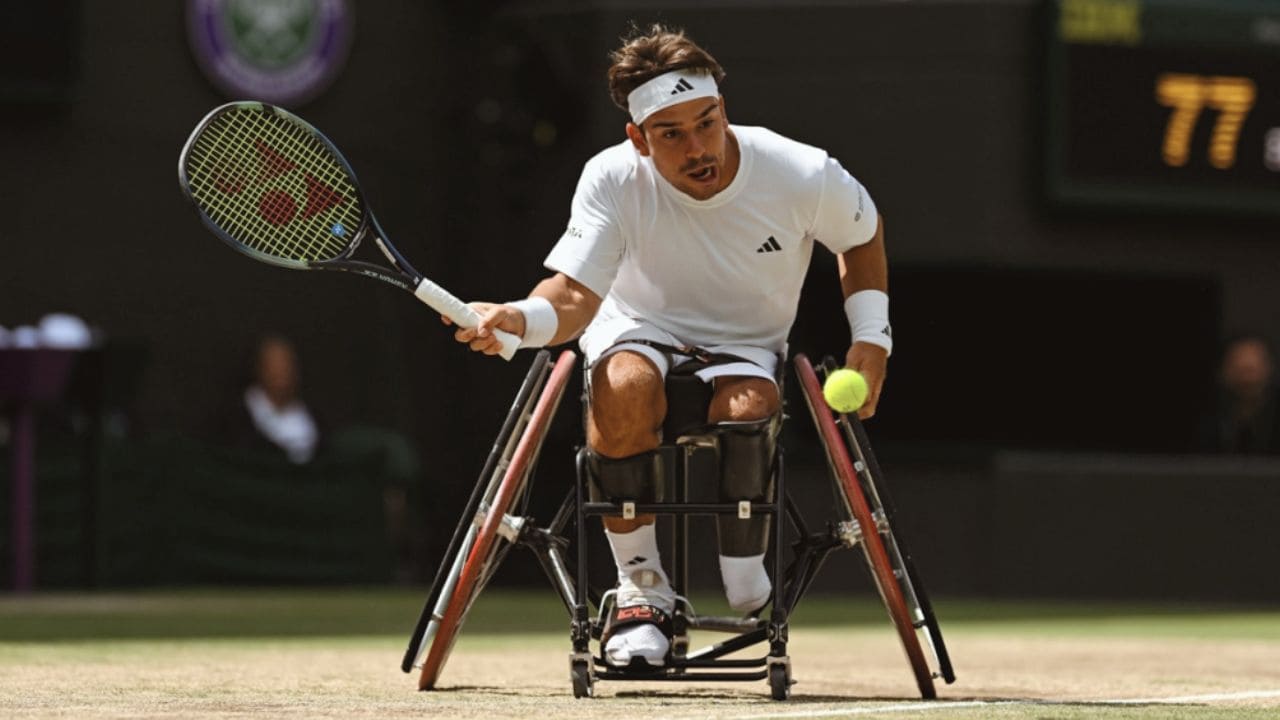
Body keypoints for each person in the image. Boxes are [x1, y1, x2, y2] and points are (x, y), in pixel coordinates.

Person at [447, 24, 891, 668]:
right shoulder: (611, 178)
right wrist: (517, 319)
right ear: (638, 138)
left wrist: (872, 342)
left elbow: (863, 233)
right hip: (637, 328)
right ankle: (642, 591)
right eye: (671, 134)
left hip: (745, 343)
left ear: (723, 110)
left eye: (706, 123)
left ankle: (742, 564)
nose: (697, 148)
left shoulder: (799, 171)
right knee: (625, 386)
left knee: (748, 411)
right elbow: (573, 298)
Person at [1198, 334, 1280, 455]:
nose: (1247, 379)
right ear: (1222, 373)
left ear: (1270, 370)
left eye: (1252, 370)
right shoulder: (1207, 424)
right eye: (1238, 369)